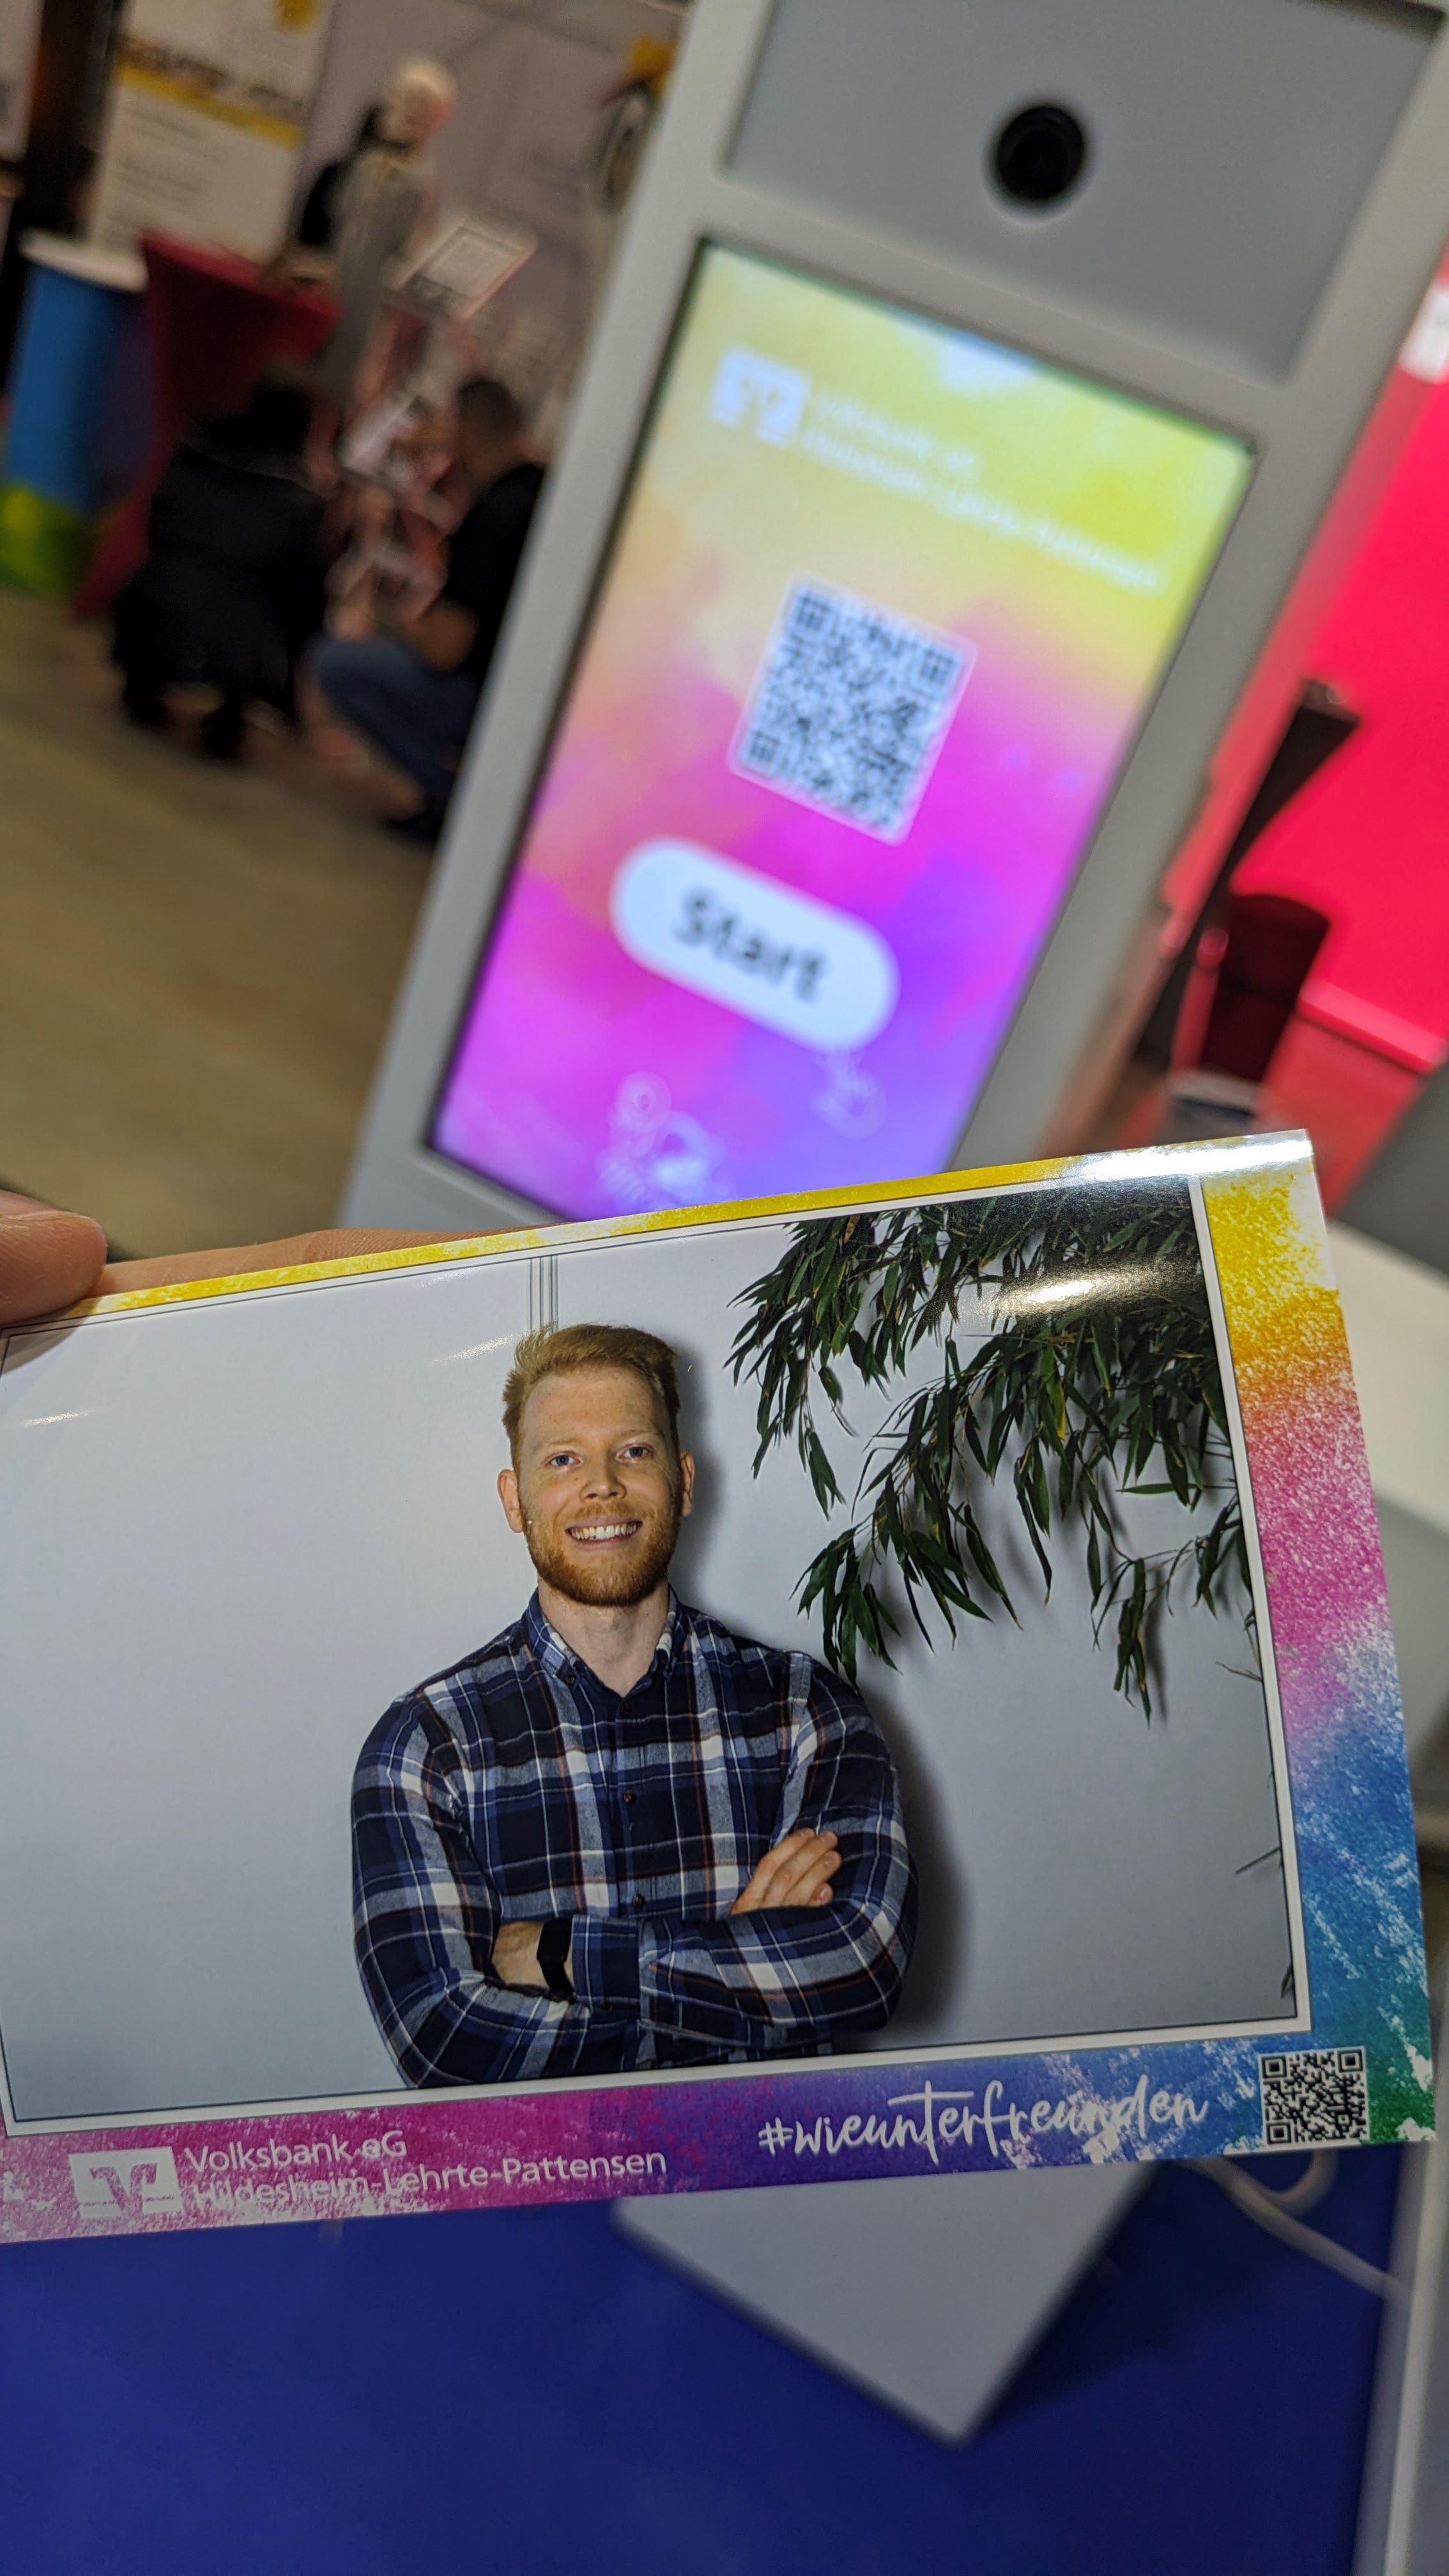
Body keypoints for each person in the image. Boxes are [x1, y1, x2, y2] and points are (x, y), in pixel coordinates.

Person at [350, 1323, 917, 2088]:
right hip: (553, 2207)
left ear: (684, 1480)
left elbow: (863, 1967)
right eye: (562, 1459)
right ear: (516, 1501)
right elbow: (447, 2044)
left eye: (634, 1452)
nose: (602, 1486)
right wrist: (736, 1972)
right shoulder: (423, 1747)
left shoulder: (806, 1710)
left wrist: (557, 1957)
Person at [312, 376, 545, 843]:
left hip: (483, 693)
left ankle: (446, 795)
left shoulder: (493, 519)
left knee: (337, 663)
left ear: (466, 432)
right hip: (530, 694)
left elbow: (444, 649)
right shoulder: (541, 494)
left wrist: (397, 627)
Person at [111, 373, 330, 760]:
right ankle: (226, 721)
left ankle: (145, 683)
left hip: (148, 607)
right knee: (249, 620)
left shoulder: (192, 454)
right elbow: (305, 599)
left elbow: (157, 524)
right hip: (236, 643)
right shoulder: (299, 503)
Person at [313, 58, 457, 414]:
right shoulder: (367, 163)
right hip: (343, 274)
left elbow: (411, 243)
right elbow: (341, 216)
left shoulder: (419, 180)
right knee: (326, 355)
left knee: (357, 365)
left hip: (376, 288)